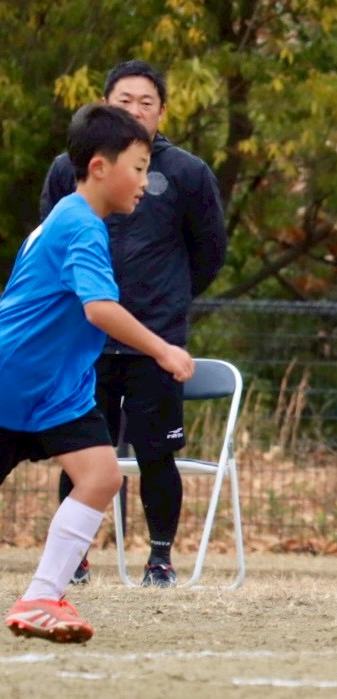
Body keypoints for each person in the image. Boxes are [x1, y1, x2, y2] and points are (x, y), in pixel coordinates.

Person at [3, 104, 195, 643]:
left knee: (102, 476)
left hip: (55, 388)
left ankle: (42, 597)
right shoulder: (81, 225)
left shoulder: (69, 215)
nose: (145, 182)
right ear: (99, 167)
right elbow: (100, 309)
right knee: (101, 477)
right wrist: (163, 349)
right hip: (15, 379)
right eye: (138, 168)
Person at [40, 60, 227, 587]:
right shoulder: (69, 170)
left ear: (162, 110)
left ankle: (160, 559)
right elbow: (52, 245)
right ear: (105, 106)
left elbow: (210, 253)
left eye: (147, 102)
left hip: (155, 341)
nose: (136, 110)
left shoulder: (187, 172)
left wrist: (166, 301)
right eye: (125, 100)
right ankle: (74, 560)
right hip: (85, 342)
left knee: (156, 453)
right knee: (82, 454)